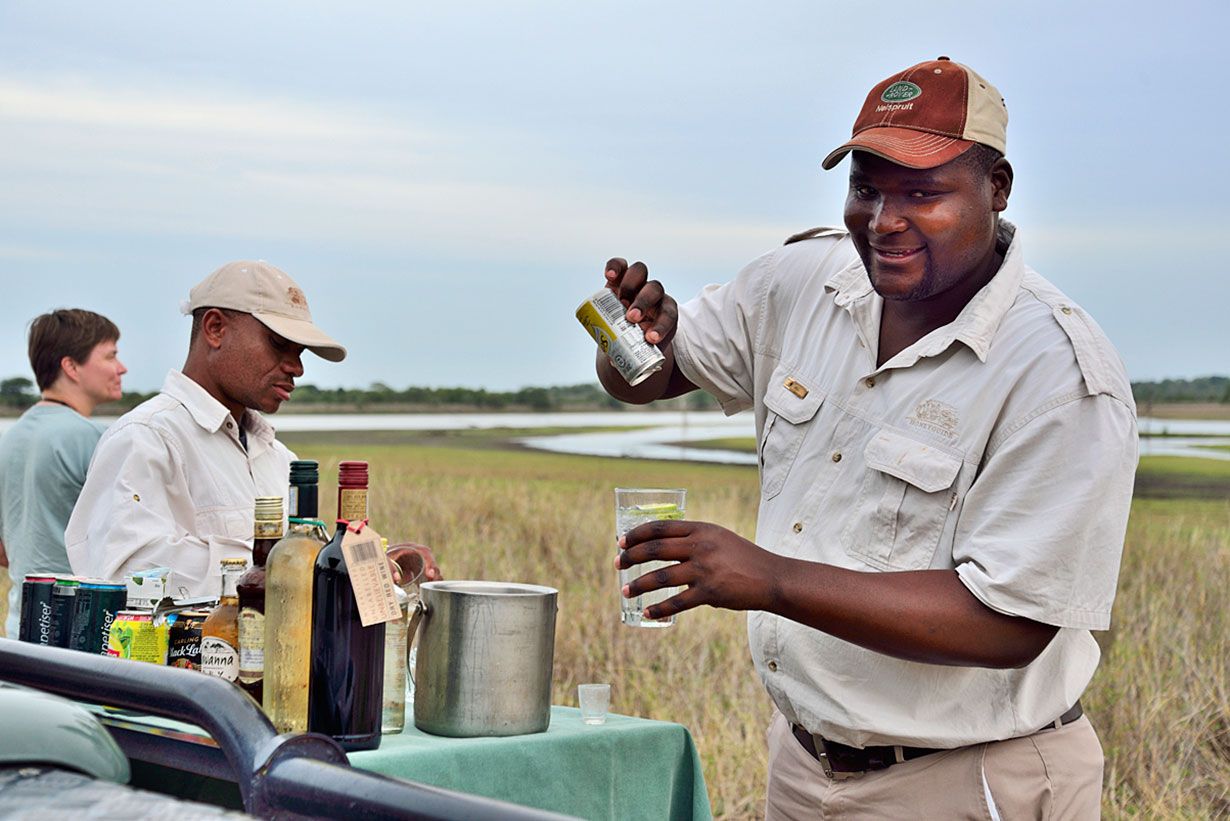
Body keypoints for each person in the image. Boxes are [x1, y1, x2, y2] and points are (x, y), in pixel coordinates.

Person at [599, 57, 1137, 819]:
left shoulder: (1059, 374)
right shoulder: (805, 281)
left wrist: (768, 577)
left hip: (970, 782)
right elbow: (653, 372)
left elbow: (1011, 620)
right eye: (866, 187)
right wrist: (627, 337)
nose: (884, 219)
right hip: (803, 764)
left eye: (923, 192)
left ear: (999, 188)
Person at [65, 261, 347, 599]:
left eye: (299, 352)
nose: (296, 367)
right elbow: (126, 575)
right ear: (215, 328)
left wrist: (354, 568)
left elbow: (306, 570)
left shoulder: (277, 457)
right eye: (277, 343)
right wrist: (281, 569)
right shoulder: (146, 438)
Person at [0, 309, 127, 638]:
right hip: (79, 631)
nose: (121, 367)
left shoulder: (10, 439)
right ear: (71, 367)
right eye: (111, 355)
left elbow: (4, 550)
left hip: (21, 627)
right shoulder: (92, 438)